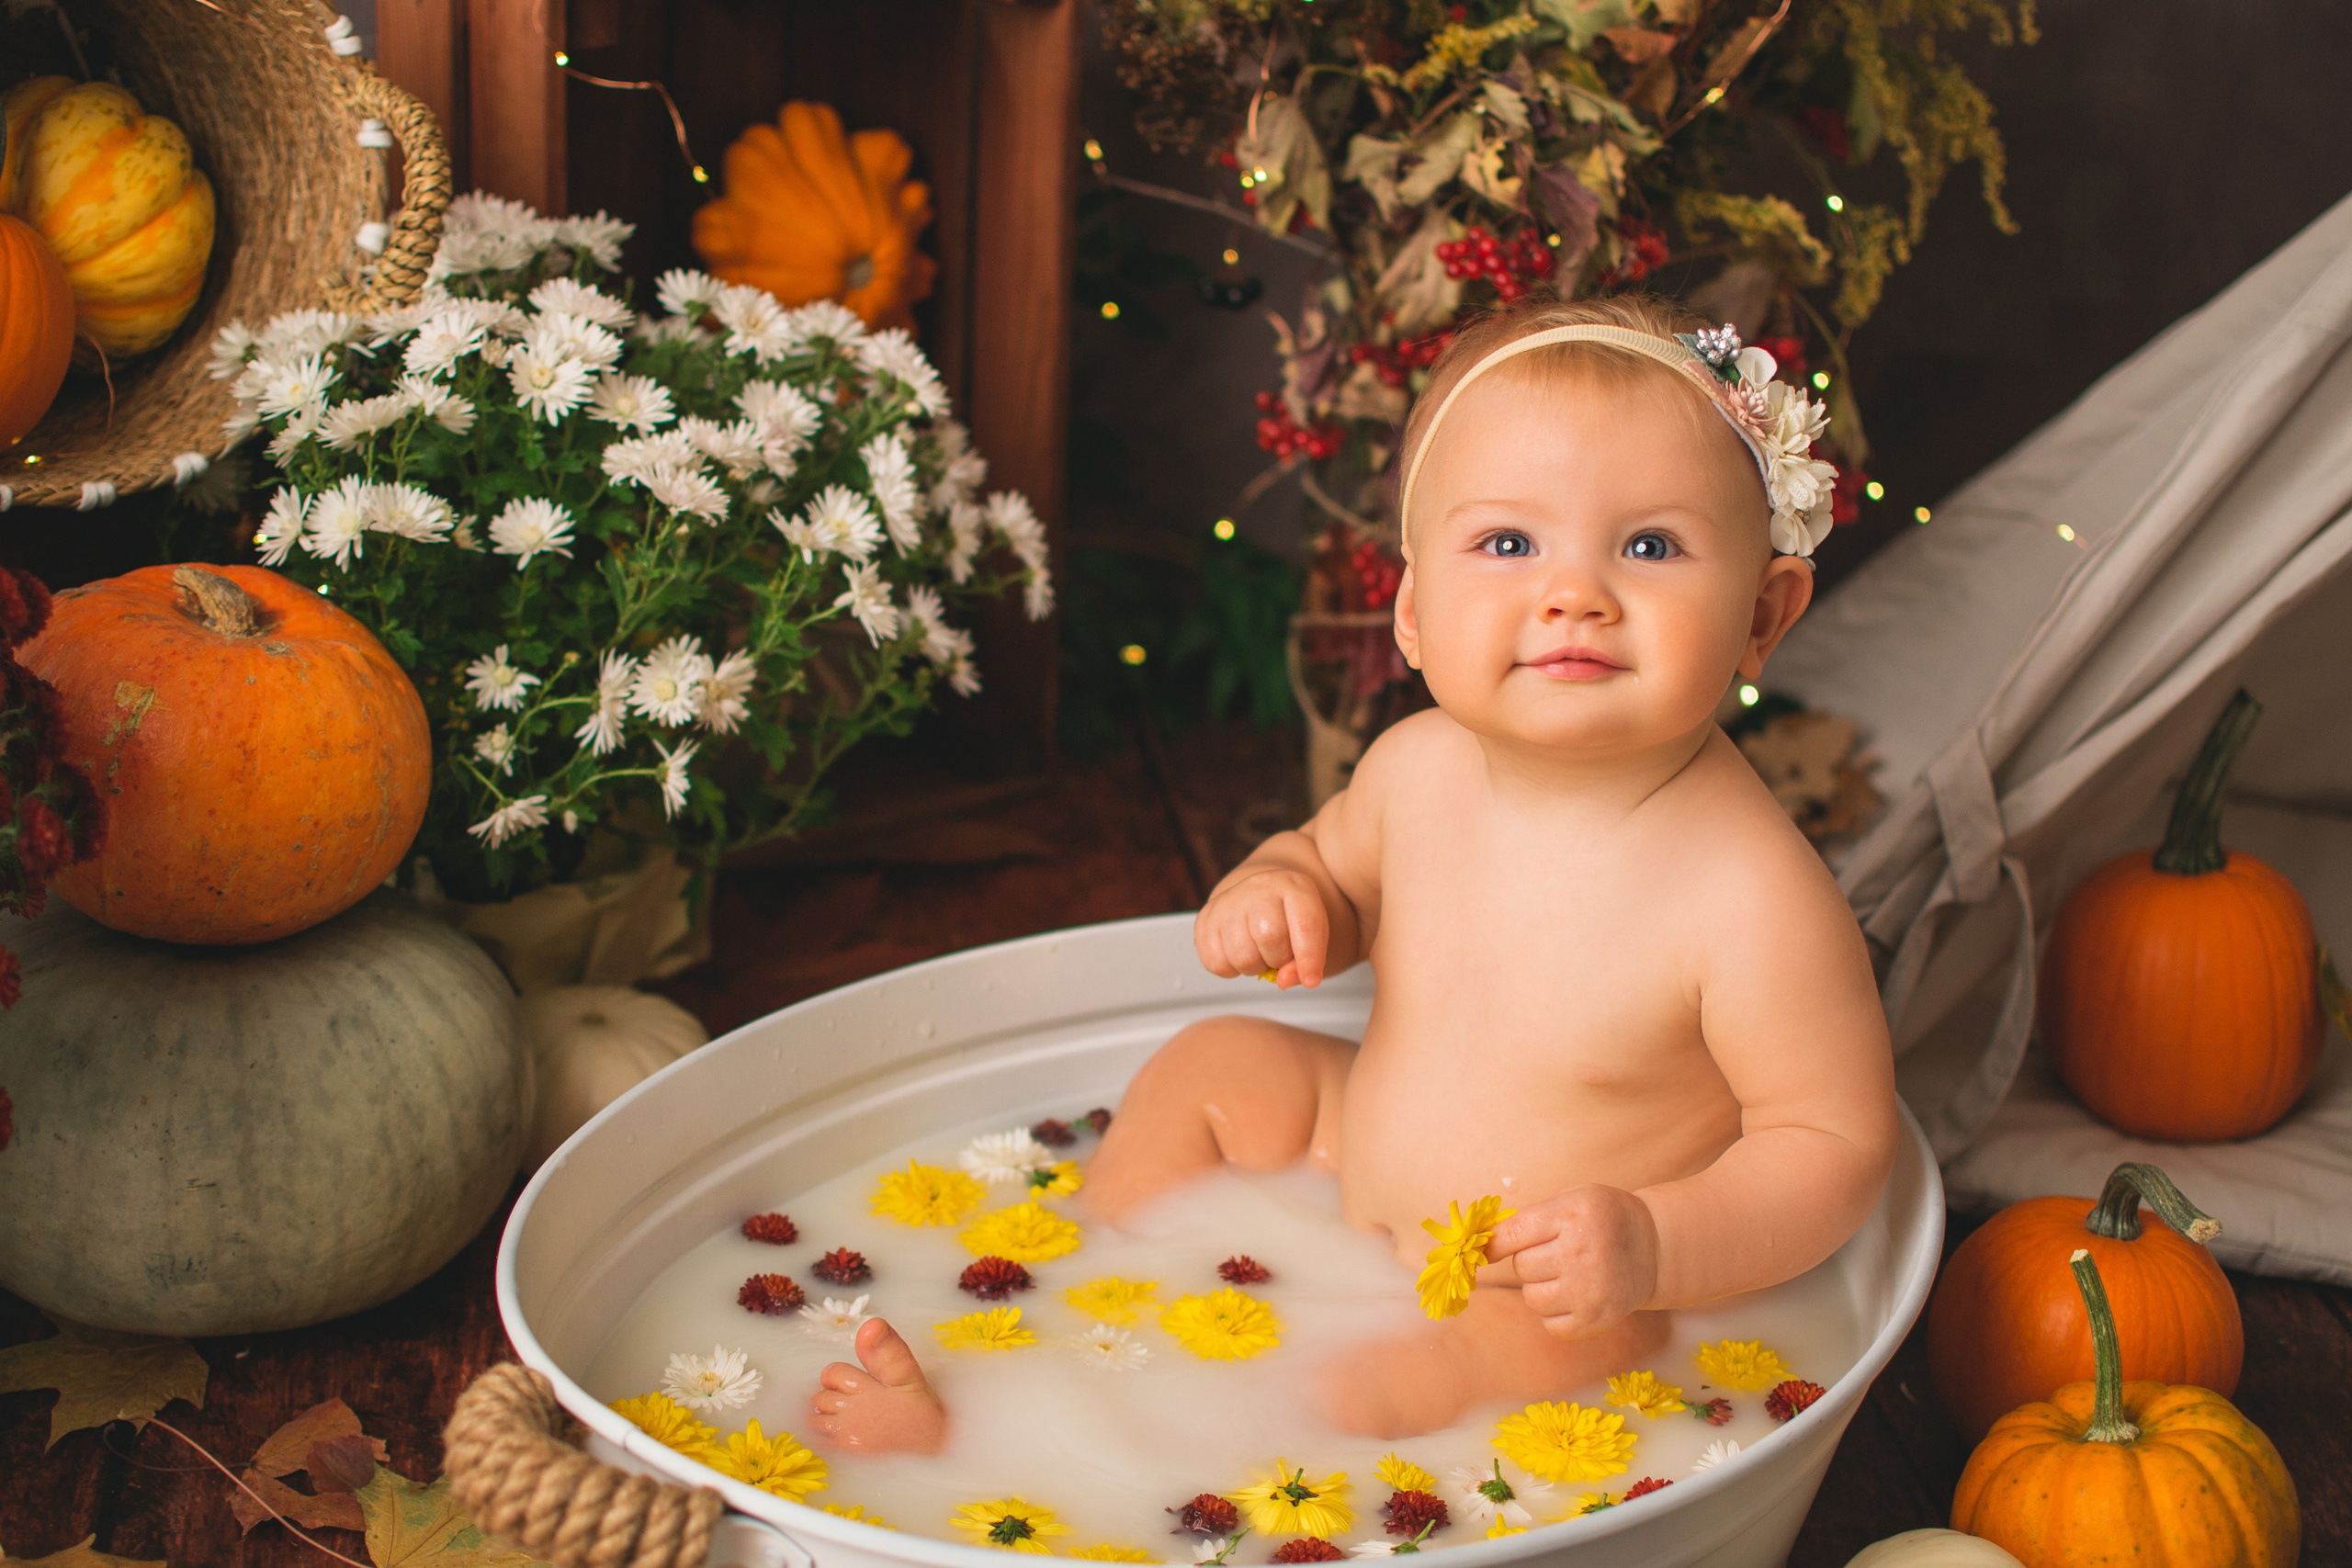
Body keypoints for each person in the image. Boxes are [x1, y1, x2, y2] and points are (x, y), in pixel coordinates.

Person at [808, 294, 1898, 1450]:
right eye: (1508, 543)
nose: (1572, 591)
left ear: (1761, 619)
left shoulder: (1749, 896)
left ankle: (1088, 1443)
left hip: (1541, 1286)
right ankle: (1090, 1296)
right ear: (1416, 616)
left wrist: (1655, 1243)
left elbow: (1832, 1146)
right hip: (1353, 1157)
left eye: (1650, 545)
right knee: (1214, 1065)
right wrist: (1283, 891)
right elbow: (1327, 864)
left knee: (1372, 1391)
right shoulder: (1415, 770)